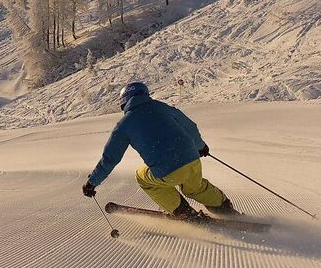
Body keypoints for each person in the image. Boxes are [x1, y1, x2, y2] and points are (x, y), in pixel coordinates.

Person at [82, 81, 237, 219]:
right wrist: (200, 147)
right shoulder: (162, 107)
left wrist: (92, 182)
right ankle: (223, 206)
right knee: (195, 187)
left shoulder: (124, 125)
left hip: (168, 171)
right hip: (192, 159)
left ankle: (183, 211)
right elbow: (190, 127)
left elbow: (110, 158)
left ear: (124, 102)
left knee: (143, 178)